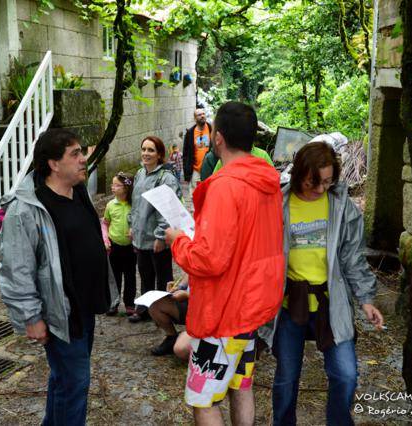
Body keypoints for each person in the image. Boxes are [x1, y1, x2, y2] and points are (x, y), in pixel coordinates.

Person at [165, 102, 285, 425]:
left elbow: (209, 258)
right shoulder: (269, 182)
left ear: (217, 138)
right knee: (241, 385)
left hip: (223, 312)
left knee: (203, 399)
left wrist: (178, 239)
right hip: (252, 306)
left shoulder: (224, 186)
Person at [0, 129, 118, 426]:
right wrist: (31, 317)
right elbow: (16, 269)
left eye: (82, 152)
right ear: (53, 163)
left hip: (84, 307)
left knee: (65, 380)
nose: (83, 160)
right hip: (59, 312)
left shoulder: (77, 191)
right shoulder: (26, 209)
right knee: (75, 383)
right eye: (75, 154)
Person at [258, 141, 384, 426]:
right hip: (290, 303)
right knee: (286, 377)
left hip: (331, 301)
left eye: (327, 182)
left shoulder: (341, 207)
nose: (320, 189)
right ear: (300, 173)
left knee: (346, 374)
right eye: (313, 182)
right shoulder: (279, 204)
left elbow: (353, 258)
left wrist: (366, 299)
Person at [128, 136, 182, 323]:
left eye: (151, 150)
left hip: (158, 238)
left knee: (163, 276)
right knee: (144, 273)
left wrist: (160, 236)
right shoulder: (139, 174)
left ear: (159, 155)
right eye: (144, 149)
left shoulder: (165, 178)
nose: (146, 153)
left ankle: (164, 310)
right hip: (141, 236)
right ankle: (144, 308)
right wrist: (131, 225)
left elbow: (167, 211)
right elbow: (135, 204)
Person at [103, 172, 137, 316]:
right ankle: (113, 303)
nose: (113, 188)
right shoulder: (111, 205)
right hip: (114, 246)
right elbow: (105, 224)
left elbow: (139, 221)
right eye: (112, 184)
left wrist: (134, 230)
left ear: (127, 188)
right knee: (114, 277)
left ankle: (129, 303)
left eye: (117, 185)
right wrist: (106, 239)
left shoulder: (134, 205)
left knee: (130, 276)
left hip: (131, 248)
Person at [148, 277, 190, 356]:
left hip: (209, 314)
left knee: (181, 349)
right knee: (155, 304)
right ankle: (171, 338)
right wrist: (179, 287)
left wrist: (188, 295)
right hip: (190, 304)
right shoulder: (197, 264)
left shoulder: (217, 267)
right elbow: (189, 272)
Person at [182, 108, 212, 201]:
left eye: (203, 114)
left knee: (209, 192)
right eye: (199, 115)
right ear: (195, 118)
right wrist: (186, 173)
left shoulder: (211, 129)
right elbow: (186, 153)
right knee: (195, 194)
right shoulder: (190, 133)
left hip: (210, 167)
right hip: (196, 169)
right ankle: (197, 214)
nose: (202, 116)